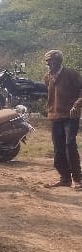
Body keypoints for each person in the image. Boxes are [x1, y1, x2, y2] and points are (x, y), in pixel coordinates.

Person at [42, 49, 82, 189]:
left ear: (59, 60)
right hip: (55, 116)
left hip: (71, 116)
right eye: (47, 62)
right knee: (58, 149)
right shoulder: (47, 77)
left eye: (50, 61)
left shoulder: (71, 73)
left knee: (70, 145)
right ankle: (65, 178)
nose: (48, 64)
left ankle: (78, 179)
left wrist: (77, 104)